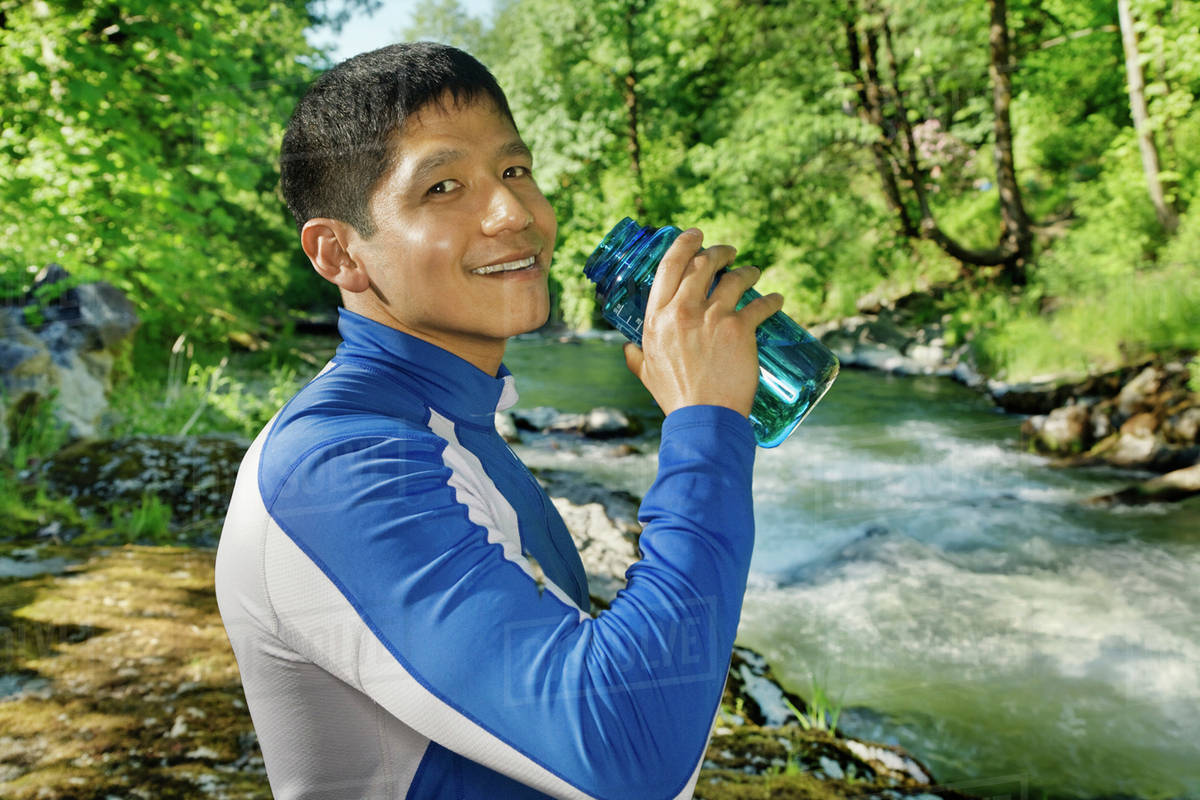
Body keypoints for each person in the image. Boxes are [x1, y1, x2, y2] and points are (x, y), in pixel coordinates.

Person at [214, 41, 783, 800]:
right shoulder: (338, 465)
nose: (514, 213)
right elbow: (627, 754)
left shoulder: (449, 425)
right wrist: (706, 425)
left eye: (514, 171)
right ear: (339, 253)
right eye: (444, 186)